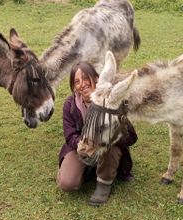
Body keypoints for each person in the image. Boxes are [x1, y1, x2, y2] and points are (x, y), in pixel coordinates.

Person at [56, 62, 138, 206]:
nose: (82, 84)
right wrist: (83, 143)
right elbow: (69, 136)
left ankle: (104, 185)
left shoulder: (113, 102)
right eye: (76, 82)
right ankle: (88, 169)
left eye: (85, 78)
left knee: (109, 148)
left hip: (107, 147)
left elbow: (131, 137)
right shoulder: (70, 104)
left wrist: (109, 136)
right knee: (67, 183)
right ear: (74, 87)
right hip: (82, 148)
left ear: (96, 78)